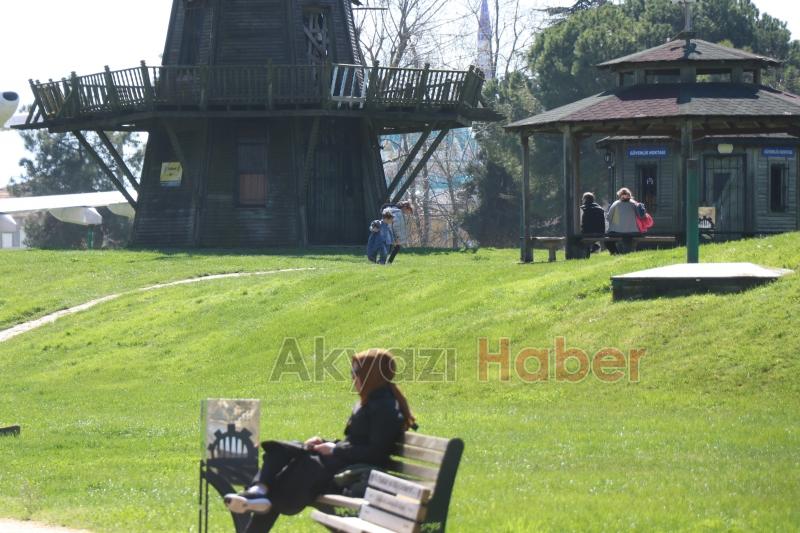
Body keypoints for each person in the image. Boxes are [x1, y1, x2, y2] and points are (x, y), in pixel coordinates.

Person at [224, 349, 415, 532]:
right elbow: (357, 442)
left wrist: (334, 449)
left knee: (301, 465)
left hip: (354, 476)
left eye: (356, 371)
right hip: (342, 466)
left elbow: (375, 453)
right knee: (283, 450)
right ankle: (259, 490)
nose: (352, 377)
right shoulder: (371, 402)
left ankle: (261, 494)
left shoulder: (385, 409)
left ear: (372, 375)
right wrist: (326, 442)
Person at [606, 187, 641, 254]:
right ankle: (629, 251)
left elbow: (608, 217)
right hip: (634, 232)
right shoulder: (634, 204)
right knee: (630, 240)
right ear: (629, 195)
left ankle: (615, 253)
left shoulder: (616, 204)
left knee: (607, 241)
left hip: (617, 232)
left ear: (619, 195)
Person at [579, 192, 606, 257]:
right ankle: (594, 245)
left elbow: (579, 223)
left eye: (583, 199)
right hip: (600, 233)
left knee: (576, 238)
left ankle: (587, 250)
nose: (582, 200)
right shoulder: (600, 209)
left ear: (585, 199)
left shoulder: (582, 209)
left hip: (586, 233)